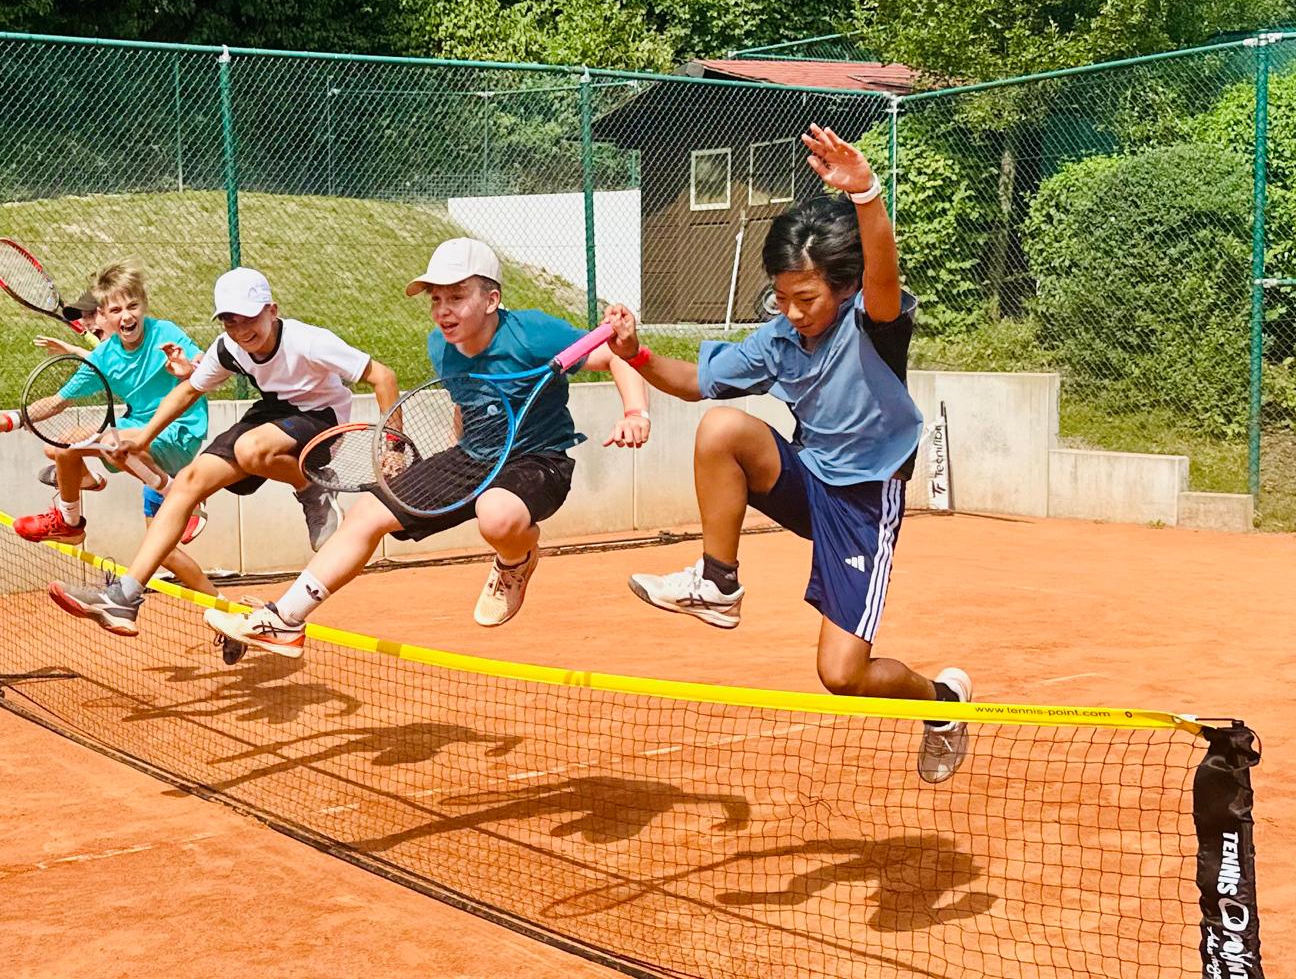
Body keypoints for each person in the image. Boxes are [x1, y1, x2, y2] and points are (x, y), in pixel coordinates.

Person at [604, 125, 973, 785]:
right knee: (722, 427)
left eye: (806, 299)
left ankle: (942, 704)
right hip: (808, 478)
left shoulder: (872, 322)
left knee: (842, 674)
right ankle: (718, 583)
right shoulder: (777, 340)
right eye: (782, 297)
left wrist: (866, 194)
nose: (793, 311)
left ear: (845, 287)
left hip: (863, 502)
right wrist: (635, 353)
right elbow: (692, 382)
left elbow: (882, 271)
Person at [206, 237, 651, 658]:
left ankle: (516, 559)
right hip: (473, 456)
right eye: (436, 299)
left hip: (539, 460)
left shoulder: (532, 333)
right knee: (367, 513)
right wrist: (450, 461)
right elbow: (467, 403)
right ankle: (285, 619)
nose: (442, 310)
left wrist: (635, 413)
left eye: (456, 297)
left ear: (491, 300)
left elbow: (614, 354)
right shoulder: (441, 345)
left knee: (496, 513)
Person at [45, 266, 400, 636]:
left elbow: (383, 377)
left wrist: (393, 446)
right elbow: (188, 390)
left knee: (250, 449)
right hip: (272, 414)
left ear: (272, 311)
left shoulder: (308, 341)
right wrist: (144, 438)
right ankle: (124, 596)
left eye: (249, 318)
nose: (241, 330)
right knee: (188, 482)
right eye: (230, 320)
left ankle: (312, 486)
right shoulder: (229, 348)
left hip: (323, 420)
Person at [0, 262, 216, 594]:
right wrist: (10, 420)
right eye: (116, 310)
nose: (126, 316)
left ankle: (180, 497)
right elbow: (58, 401)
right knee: (61, 446)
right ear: (104, 314)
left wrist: (190, 368)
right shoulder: (103, 357)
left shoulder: (165, 332)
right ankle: (70, 522)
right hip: (140, 444)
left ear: (144, 305)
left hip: (179, 432)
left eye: (133, 306)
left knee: (110, 443)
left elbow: (203, 362)